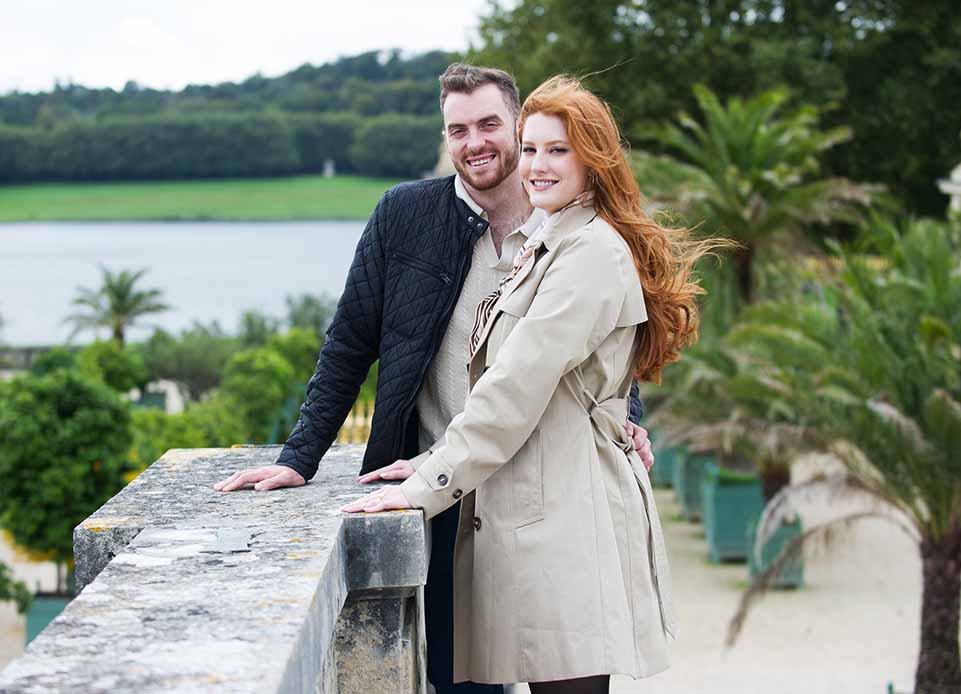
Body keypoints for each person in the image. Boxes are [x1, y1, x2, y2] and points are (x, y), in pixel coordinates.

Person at [215, 65, 654, 694]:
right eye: (457, 129)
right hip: (440, 495)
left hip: (532, 487)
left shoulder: (561, 232)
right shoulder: (406, 215)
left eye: (491, 126)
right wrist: (300, 455)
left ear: (516, 124)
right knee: (461, 681)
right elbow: (348, 344)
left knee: (559, 664)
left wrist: (626, 418)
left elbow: (577, 355)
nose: (476, 142)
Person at [341, 75, 723, 693]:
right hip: (538, 518)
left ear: (593, 160)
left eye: (558, 150)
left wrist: (421, 488)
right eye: (534, 147)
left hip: (569, 523)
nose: (539, 165)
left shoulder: (589, 253)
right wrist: (426, 459)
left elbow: (514, 389)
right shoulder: (552, 240)